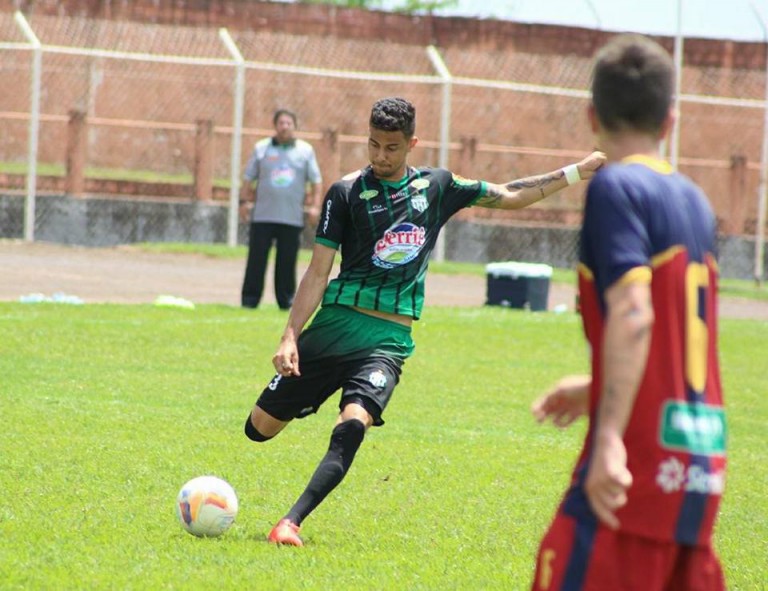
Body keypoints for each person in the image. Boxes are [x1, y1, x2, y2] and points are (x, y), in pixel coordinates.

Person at [243, 96, 604, 546]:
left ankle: (290, 523)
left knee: (354, 423)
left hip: (389, 339)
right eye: (373, 145)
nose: (380, 156)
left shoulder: (437, 187)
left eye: (391, 147)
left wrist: (579, 171)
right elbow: (318, 272)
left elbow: (510, 194)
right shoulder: (345, 192)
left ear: (412, 143)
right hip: (334, 328)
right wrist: (290, 336)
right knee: (258, 430)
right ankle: (305, 397)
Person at [530, 35, 726, 590]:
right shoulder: (695, 198)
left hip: (636, 462)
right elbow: (676, 336)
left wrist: (610, 435)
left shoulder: (617, 186)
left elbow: (637, 314)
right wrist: (598, 388)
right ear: (670, 121)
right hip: (700, 460)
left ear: (592, 116)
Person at [240, 108, 323, 310]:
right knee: (256, 261)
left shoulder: (305, 151)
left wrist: (315, 207)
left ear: (294, 126)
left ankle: (286, 301)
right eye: (281, 123)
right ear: (275, 125)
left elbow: (316, 182)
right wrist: (243, 202)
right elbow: (248, 178)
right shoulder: (262, 149)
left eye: (288, 123)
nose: (284, 127)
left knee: (286, 263)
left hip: (291, 217)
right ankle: (250, 300)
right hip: (263, 216)